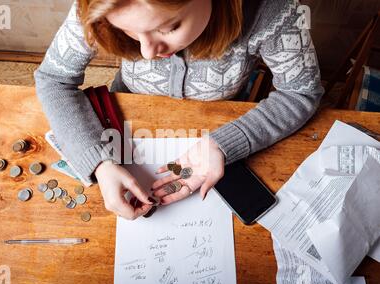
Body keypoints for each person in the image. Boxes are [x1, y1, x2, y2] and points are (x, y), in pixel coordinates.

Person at [34, 0, 324, 220]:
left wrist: (225, 145)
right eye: (129, 31)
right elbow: (53, 80)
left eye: (169, 27)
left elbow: (300, 92)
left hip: (224, 117)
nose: (147, 53)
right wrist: (98, 163)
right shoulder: (98, 3)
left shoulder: (275, 9)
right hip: (129, 111)